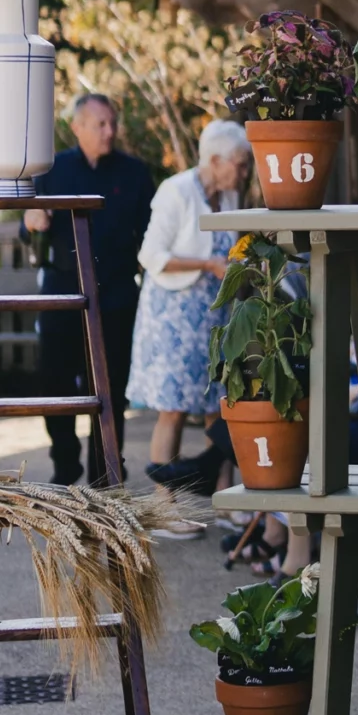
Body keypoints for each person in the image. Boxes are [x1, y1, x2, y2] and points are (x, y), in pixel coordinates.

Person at [126, 122, 251, 532]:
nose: (245, 171)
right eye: (240, 163)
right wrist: (209, 265)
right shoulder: (177, 191)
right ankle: (165, 509)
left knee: (220, 406)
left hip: (215, 318)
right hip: (174, 316)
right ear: (214, 161)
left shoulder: (230, 194)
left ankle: (225, 501)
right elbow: (150, 255)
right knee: (174, 408)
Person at [24, 92, 154, 486]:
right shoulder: (51, 169)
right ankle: (65, 466)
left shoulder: (134, 172)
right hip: (62, 292)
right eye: (100, 124)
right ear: (76, 127)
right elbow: (27, 230)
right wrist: (32, 221)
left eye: (113, 123)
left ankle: (106, 468)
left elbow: (150, 234)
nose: (110, 131)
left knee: (111, 388)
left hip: (115, 293)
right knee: (55, 385)